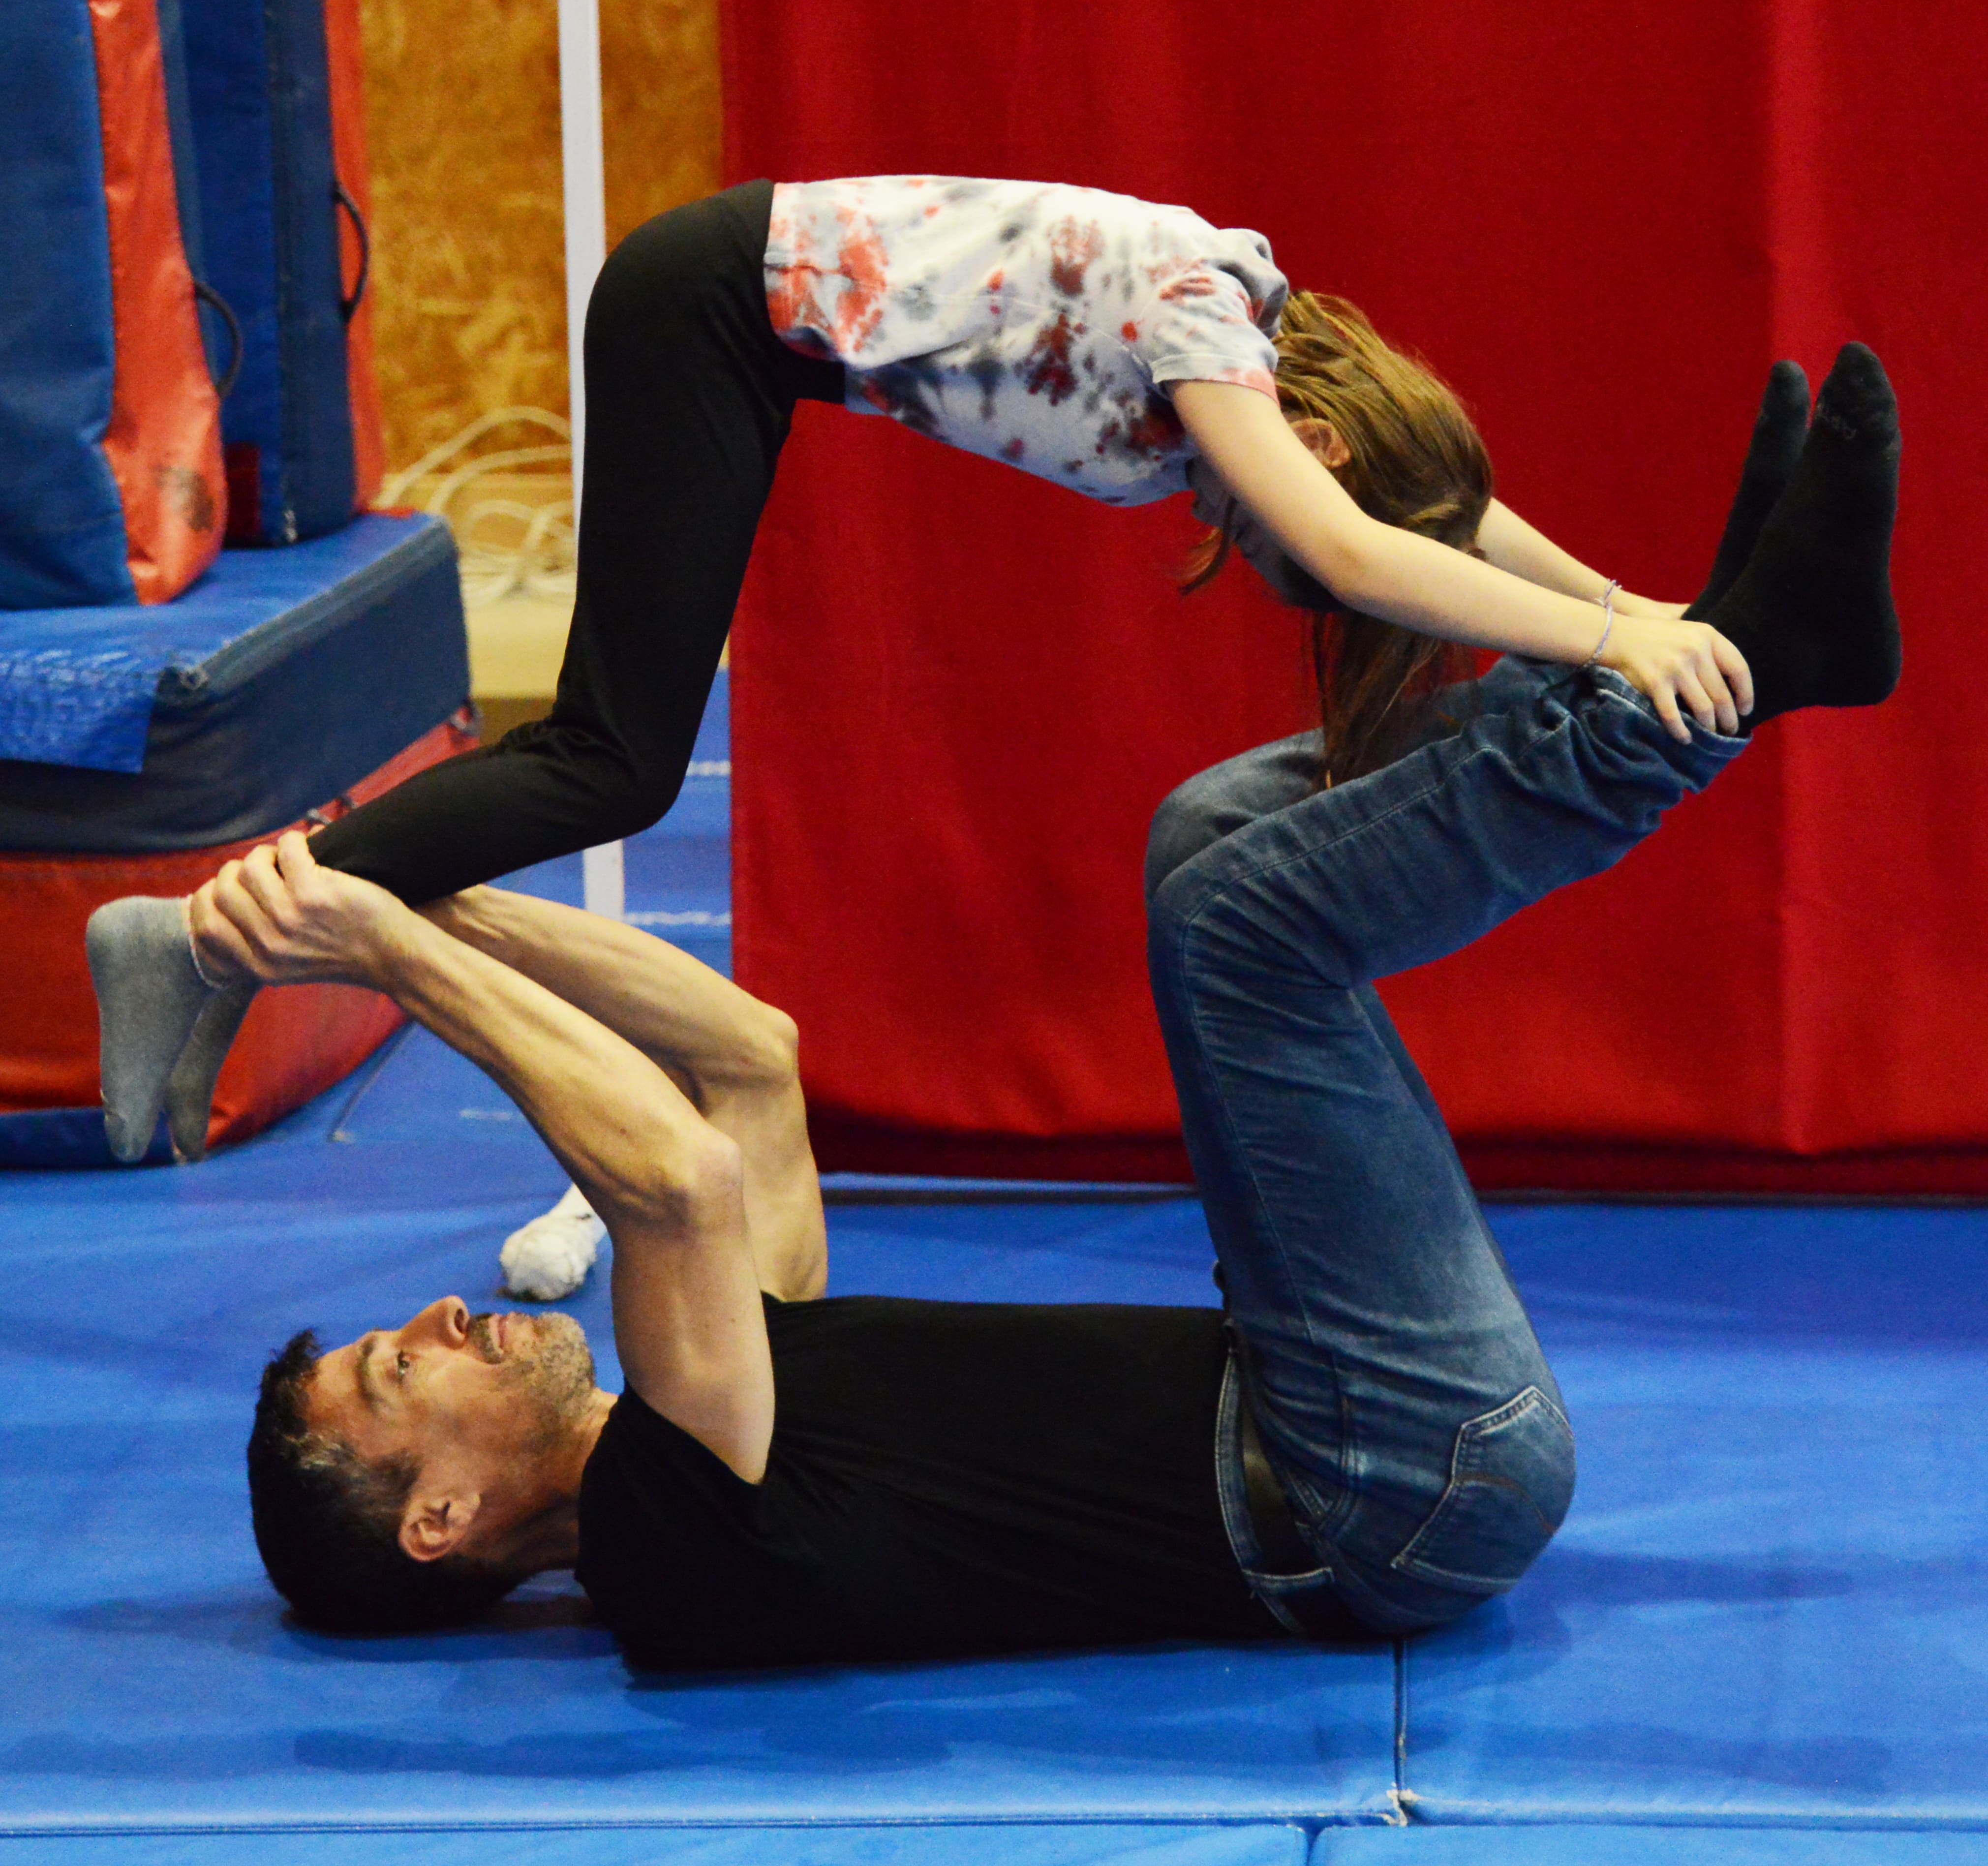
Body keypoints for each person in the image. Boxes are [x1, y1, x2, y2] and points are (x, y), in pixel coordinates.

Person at [236, 346, 1898, 1656]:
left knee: (1207, 842)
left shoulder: (714, 1391)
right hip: (1391, 1485)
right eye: (397, 1378)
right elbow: (671, 1180)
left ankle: (1700, 655)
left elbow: (744, 1062)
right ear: (440, 1524)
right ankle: (1701, 694)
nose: (437, 1318)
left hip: (1340, 1408)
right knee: (1247, 931)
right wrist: (388, 954)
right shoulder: (669, 1548)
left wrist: (419, 887)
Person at [93, 174, 1760, 1171]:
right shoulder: (1211, 328)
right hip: (707, 311)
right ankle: (196, 934)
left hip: (736, 323)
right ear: (1313, 448)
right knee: (612, 760)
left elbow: (1436, 510)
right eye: (1263, 524)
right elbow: (1359, 549)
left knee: (615, 757)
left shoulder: (1255, 335)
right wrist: (1614, 643)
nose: (1240, 542)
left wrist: (1637, 602)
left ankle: (231, 939)